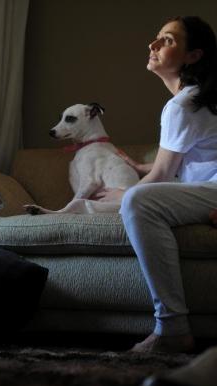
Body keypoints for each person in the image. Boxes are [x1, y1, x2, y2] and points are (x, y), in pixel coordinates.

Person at [94, 15, 217, 353]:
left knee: (138, 202)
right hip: (209, 188)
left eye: (168, 40)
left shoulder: (183, 105)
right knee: (140, 194)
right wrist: (142, 167)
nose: (153, 45)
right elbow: (188, 161)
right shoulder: (195, 99)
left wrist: (126, 193)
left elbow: (162, 177)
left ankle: (173, 327)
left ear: (194, 56)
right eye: (156, 38)